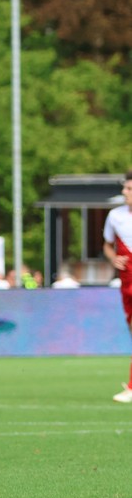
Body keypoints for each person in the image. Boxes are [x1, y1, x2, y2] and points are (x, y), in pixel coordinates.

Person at [104, 170, 132, 403]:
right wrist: (113, 258)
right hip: (127, 281)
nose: (124, 192)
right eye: (124, 188)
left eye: (129, 189)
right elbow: (107, 245)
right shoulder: (115, 216)